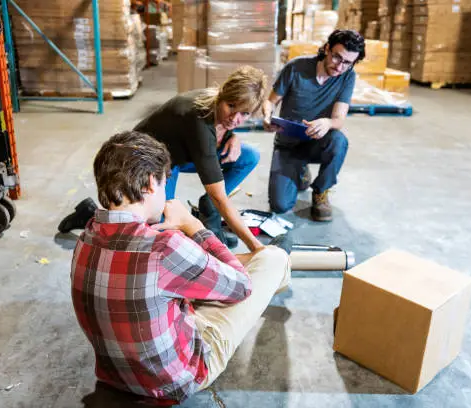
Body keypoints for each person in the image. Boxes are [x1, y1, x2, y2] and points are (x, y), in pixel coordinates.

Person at [70, 131, 291, 403]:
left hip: (114, 377)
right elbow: (242, 286)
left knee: (193, 273)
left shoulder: (86, 237)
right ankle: (280, 274)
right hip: (176, 381)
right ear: (151, 184)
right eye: (164, 185)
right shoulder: (164, 247)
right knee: (273, 258)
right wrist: (193, 226)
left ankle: (266, 277)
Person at [59, 66, 268, 251]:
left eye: (245, 114)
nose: (235, 118)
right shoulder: (198, 118)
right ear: (222, 95)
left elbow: (223, 129)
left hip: (179, 152)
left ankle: (208, 211)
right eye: (231, 106)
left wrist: (233, 136)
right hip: (147, 161)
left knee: (250, 156)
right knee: (155, 226)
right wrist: (255, 246)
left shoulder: (218, 109)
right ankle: (90, 214)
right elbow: (219, 196)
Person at [262, 30, 365, 221]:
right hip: (288, 144)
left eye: (348, 63)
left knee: (338, 141)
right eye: (337, 57)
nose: (340, 66)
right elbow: (271, 101)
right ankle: (300, 172)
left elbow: (338, 119)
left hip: (317, 142)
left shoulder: (347, 77)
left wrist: (327, 122)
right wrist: (268, 116)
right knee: (280, 205)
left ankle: (320, 190)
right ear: (327, 48)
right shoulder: (296, 67)